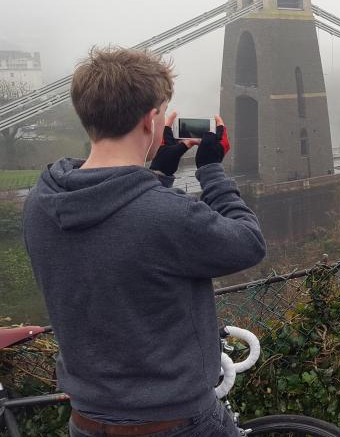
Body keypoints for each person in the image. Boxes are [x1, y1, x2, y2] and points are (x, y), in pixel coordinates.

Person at [23, 47, 266, 436]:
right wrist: (212, 171)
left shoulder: (42, 203)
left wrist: (160, 172)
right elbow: (248, 242)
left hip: (87, 422)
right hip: (175, 423)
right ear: (152, 120)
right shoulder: (167, 215)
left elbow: (122, 230)